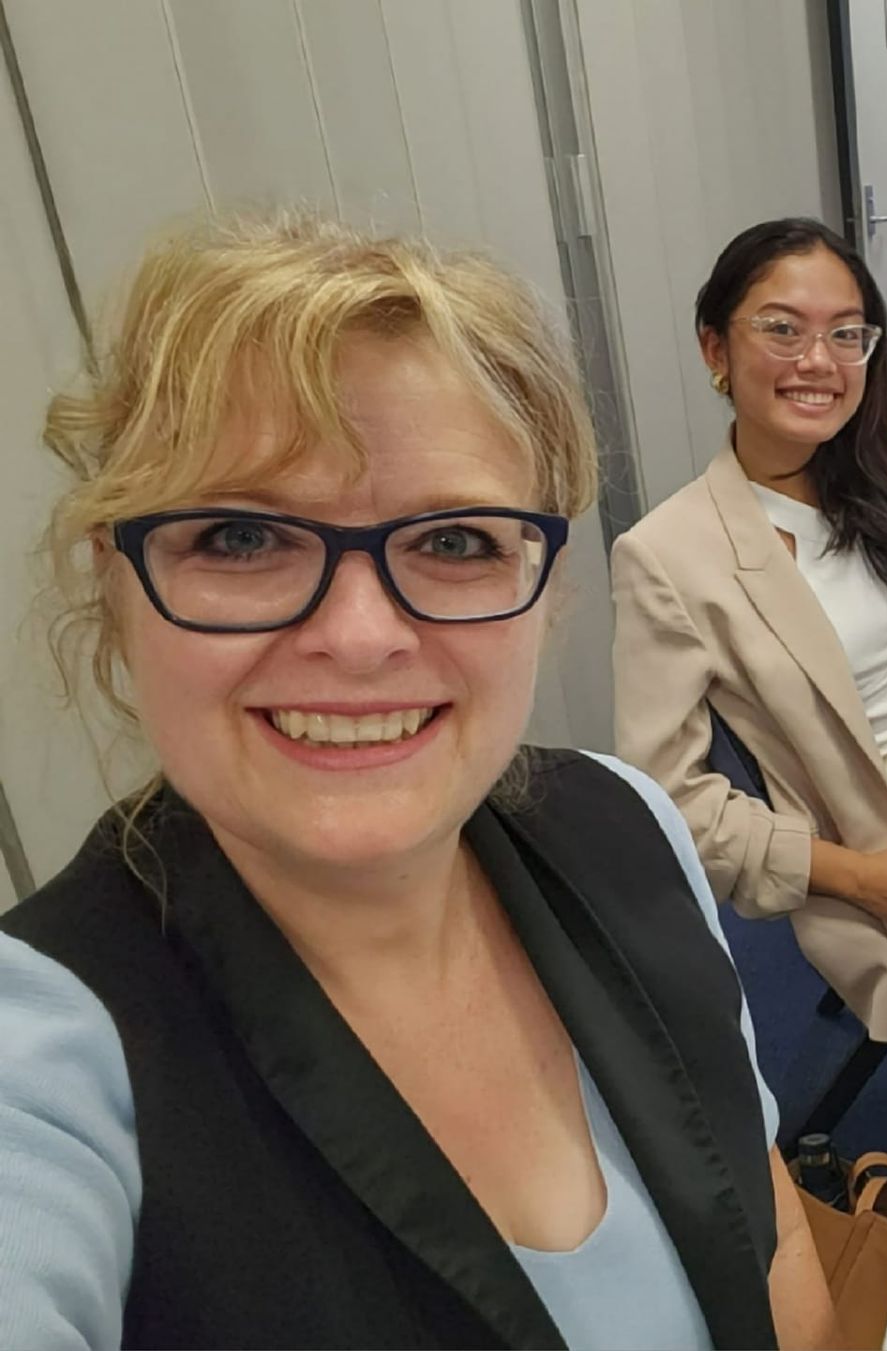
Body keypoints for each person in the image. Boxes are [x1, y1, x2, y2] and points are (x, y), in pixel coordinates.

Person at [0, 215, 836, 1350]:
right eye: (240, 538)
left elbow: (769, 1234)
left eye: (453, 542)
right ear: (117, 581)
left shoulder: (623, 823)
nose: (359, 637)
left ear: (544, 586)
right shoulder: (47, 1061)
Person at [611, 219, 887, 1046]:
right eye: (783, 329)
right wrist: (863, 878)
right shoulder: (667, 555)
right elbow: (671, 800)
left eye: (846, 334)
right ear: (715, 348)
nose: (819, 360)